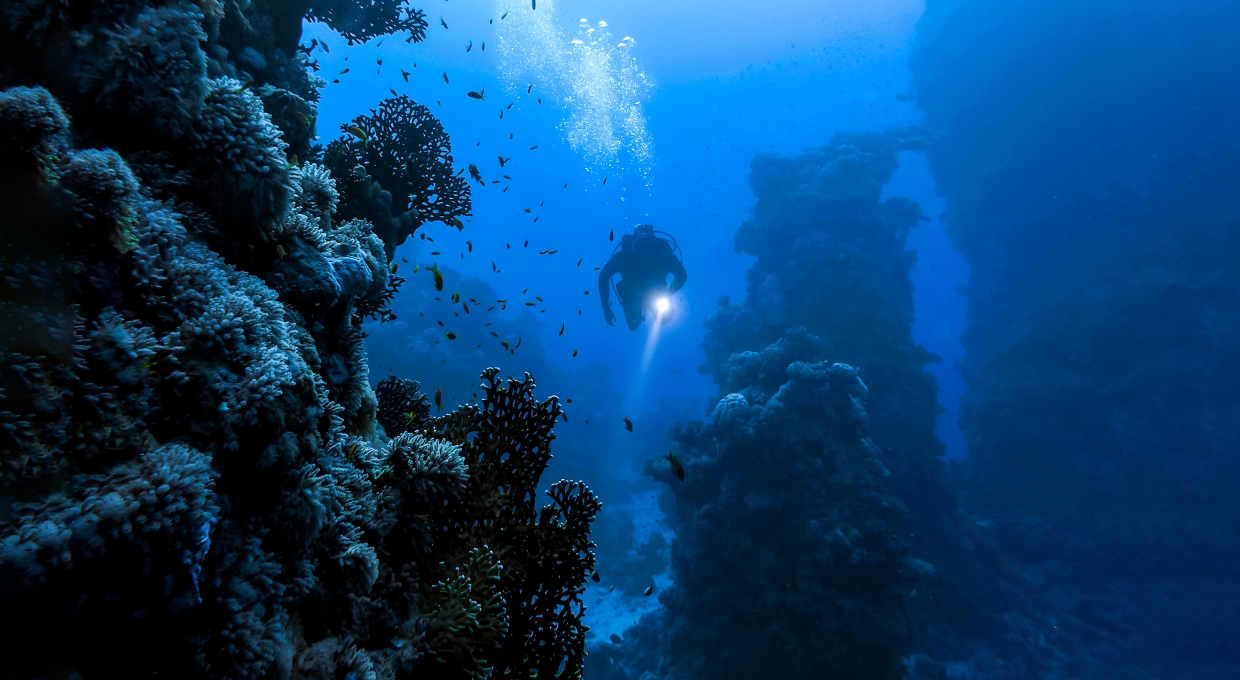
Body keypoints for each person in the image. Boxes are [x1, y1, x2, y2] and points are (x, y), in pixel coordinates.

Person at [598, 224, 687, 330]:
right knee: (633, 325)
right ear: (633, 246)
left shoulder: (663, 254)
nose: (643, 252)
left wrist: (668, 293)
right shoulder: (624, 256)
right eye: (639, 247)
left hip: (656, 292)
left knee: (664, 319)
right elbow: (603, 276)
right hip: (631, 291)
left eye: (646, 247)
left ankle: (647, 303)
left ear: (653, 246)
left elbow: (682, 275)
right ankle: (637, 305)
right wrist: (606, 307)